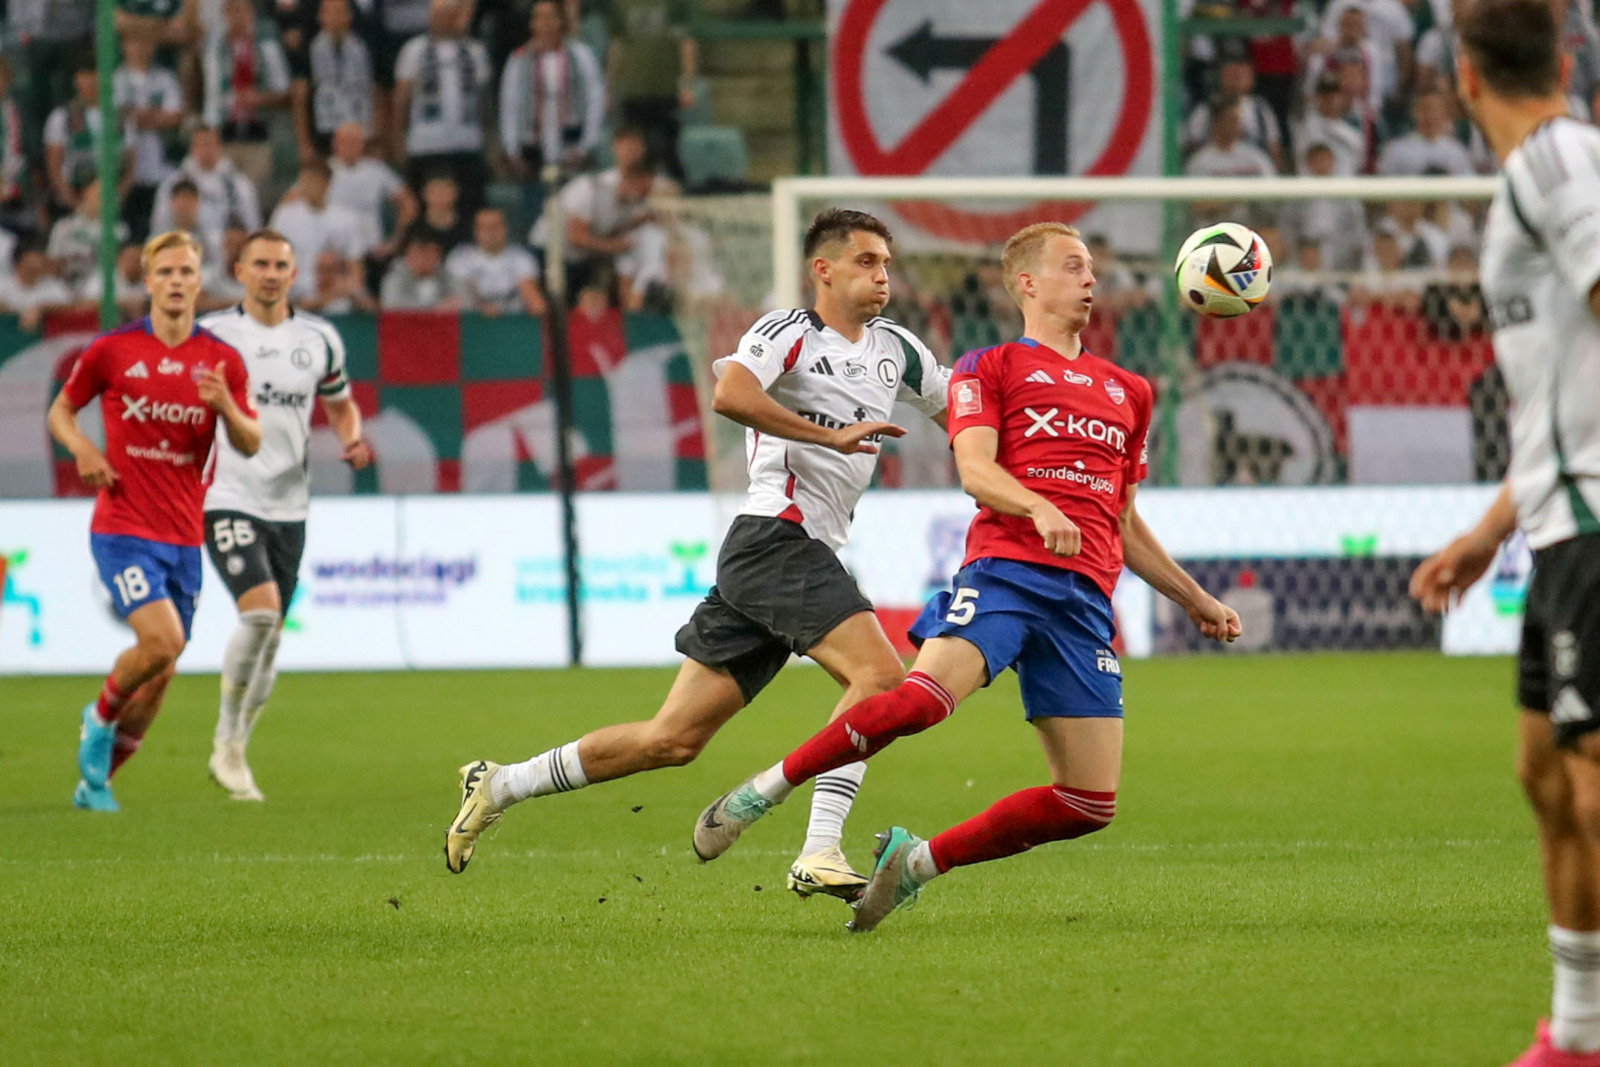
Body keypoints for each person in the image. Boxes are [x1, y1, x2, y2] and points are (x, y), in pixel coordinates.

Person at [693, 221, 1241, 933]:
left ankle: (912, 864)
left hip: (1085, 600)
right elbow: (975, 468)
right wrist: (1036, 504)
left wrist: (1196, 598)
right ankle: (762, 791)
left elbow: (1125, 521)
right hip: (1009, 573)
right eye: (1072, 266)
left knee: (1087, 803)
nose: (1090, 278)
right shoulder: (992, 367)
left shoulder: (1129, 391)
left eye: (1092, 267)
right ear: (1026, 283)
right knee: (918, 700)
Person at [445, 209, 952, 902]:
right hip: (778, 538)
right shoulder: (788, 332)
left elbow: (965, 413)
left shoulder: (900, 349)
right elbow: (730, 392)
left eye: (887, 264)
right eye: (866, 261)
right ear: (823, 269)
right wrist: (824, 437)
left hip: (783, 557)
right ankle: (820, 846)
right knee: (882, 680)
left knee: (670, 740)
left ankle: (502, 781)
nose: (882, 276)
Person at [1409, 1, 1600, 1063]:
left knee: (1592, 774)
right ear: (1563, 59)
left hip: (1597, 518)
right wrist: (1493, 527)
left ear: (1464, 79)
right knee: (1544, 768)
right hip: (1560, 516)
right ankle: (1575, 1035)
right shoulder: (1534, 174)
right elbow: (1565, 396)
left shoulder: (1554, 162)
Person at [46, 230, 260, 812]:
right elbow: (62, 410)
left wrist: (226, 409)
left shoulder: (221, 362)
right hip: (121, 526)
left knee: (162, 671)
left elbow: (250, 440)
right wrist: (84, 452)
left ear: (199, 280)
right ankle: (98, 717)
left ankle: (97, 782)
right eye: (164, 272)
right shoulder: (113, 350)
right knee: (161, 640)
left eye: (186, 272)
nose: (175, 282)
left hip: (184, 536)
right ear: (148, 280)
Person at [199, 229, 370, 800]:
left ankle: (236, 749)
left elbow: (341, 405)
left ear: (294, 274)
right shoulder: (214, 334)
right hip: (227, 492)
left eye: (281, 265)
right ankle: (225, 742)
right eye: (260, 264)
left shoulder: (319, 338)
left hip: (290, 503)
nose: (271, 273)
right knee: (263, 615)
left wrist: (352, 438)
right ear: (240, 270)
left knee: (271, 640)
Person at [392, 0, 492, 212]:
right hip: (425, 144)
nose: (442, 19)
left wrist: (488, 141)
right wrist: (399, 138)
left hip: (467, 143)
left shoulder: (475, 51)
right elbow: (402, 98)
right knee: (426, 209)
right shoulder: (413, 50)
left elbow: (484, 101)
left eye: (449, 14)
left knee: (469, 207)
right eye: (438, 14)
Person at [498, 0, 606, 178]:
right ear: (532, 23)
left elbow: (595, 100)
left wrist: (587, 144)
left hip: (572, 147)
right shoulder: (519, 58)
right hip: (532, 149)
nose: (544, 24)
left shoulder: (581, 55)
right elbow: (510, 105)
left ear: (561, 21)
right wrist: (512, 149)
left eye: (550, 18)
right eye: (538, 18)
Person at [444, 207, 546, 316]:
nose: (490, 232)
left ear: (505, 228)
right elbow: (461, 294)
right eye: (484, 227)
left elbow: (531, 294)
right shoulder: (460, 257)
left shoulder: (521, 257)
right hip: (471, 320)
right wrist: (483, 307)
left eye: (495, 226)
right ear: (476, 231)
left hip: (511, 321)